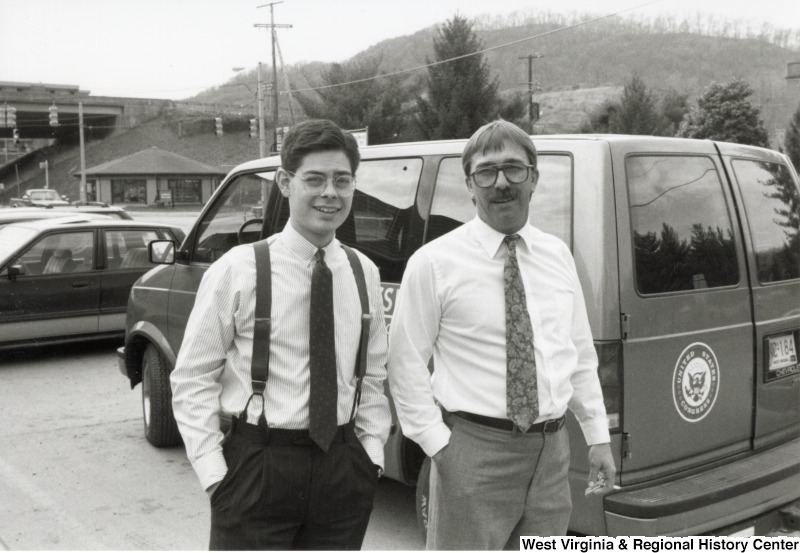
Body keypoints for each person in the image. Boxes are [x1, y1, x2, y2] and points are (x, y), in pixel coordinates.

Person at [388, 119, 616, 549]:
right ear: (470, 185)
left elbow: (579, 355)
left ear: (534, 177)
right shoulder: (434, 262)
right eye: (486, 172)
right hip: (473, 452)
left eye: (514, 168)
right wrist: (441, 448)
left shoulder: (557, 255)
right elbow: (405, 365)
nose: (501, 183)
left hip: (552, 453)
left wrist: (598, 437)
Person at [171, 119, 391, 550]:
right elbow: (192, 377)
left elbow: (374, 376)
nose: (331, 192)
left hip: (344, 470)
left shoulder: (364, 271)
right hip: (259, 467)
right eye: (315, 179)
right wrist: (215, 475)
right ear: (285, 183)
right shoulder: (238, 268)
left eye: (342, 180)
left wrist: (371, 455)